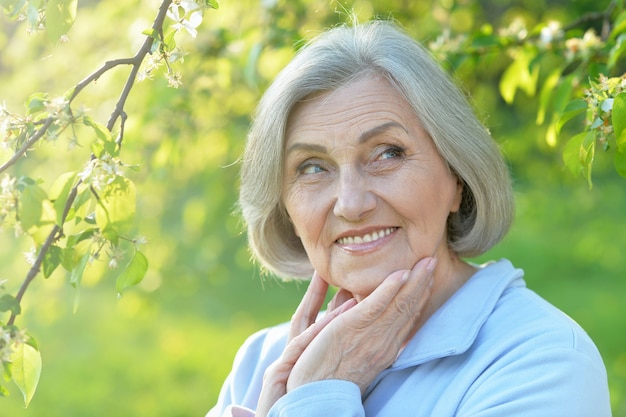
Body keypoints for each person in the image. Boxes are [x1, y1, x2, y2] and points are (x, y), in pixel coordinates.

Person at [207, 20, 611, 417]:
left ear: (457, 176)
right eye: (312, 167)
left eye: (388, 153)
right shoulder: (259, 364)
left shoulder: (543, 362)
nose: (350, 203)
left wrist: (317, 394)